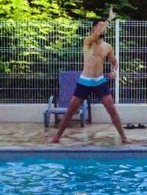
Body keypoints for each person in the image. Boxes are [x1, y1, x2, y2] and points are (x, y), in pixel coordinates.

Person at [50, 9, 129, 144]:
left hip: (99, 82)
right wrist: (109, 19)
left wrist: (113, 70)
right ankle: (57, 137)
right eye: (99, 25)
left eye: (104, 26)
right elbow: (97, 33)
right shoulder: (88, 42)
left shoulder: (107, 47)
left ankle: (123, 137)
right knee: (70, 111)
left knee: (112, 110)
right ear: (93, 29)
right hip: (85, 81)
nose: (102, 28)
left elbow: (115, 62)